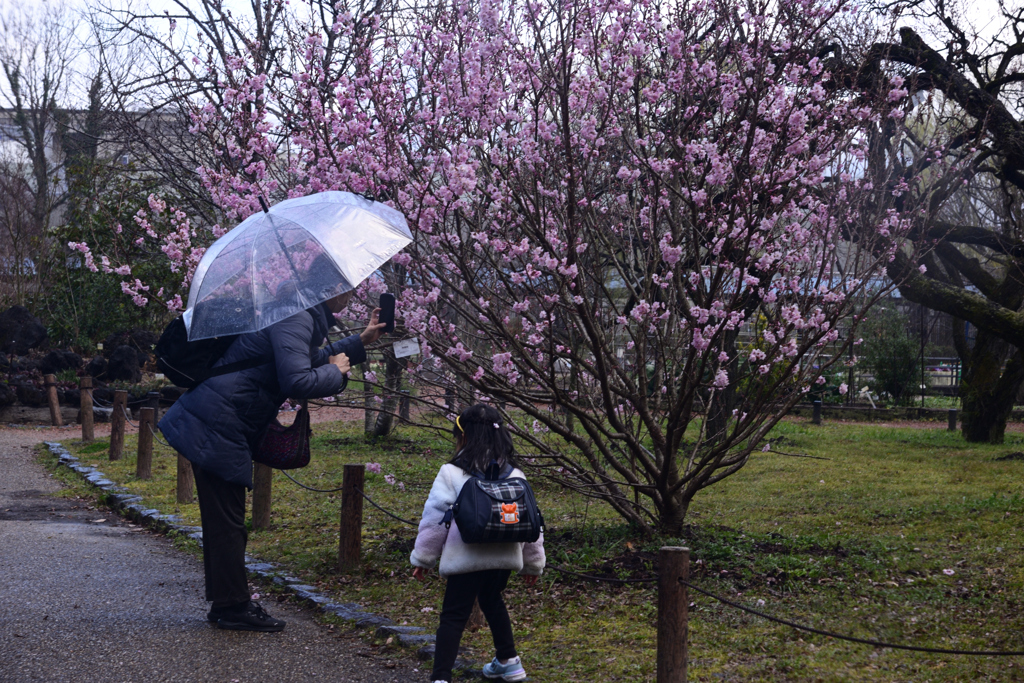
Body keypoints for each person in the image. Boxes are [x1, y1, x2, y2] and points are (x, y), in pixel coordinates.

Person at [159, 289, 385, 632]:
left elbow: (308, 358)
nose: (352, 294)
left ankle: (226, 604)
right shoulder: (296, 317)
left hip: (220, 419)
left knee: (224, 522)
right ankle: (233, 607)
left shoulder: (295, 312)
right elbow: (297, 380)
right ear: (331, 291)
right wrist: (336, 373)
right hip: (218, 423)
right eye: (348, 289)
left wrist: (360, 341)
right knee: (228, 524)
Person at [410, 404, 545, 683]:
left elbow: (435, 518)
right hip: (503, 557)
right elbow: (532, 519)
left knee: (453, 615)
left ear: (463, 436)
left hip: (465, 557)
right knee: (492, 600)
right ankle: (509, 661)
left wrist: (423, 558)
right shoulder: (515, 473)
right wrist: (533, 563)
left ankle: (441, 677)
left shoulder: (452, 472)